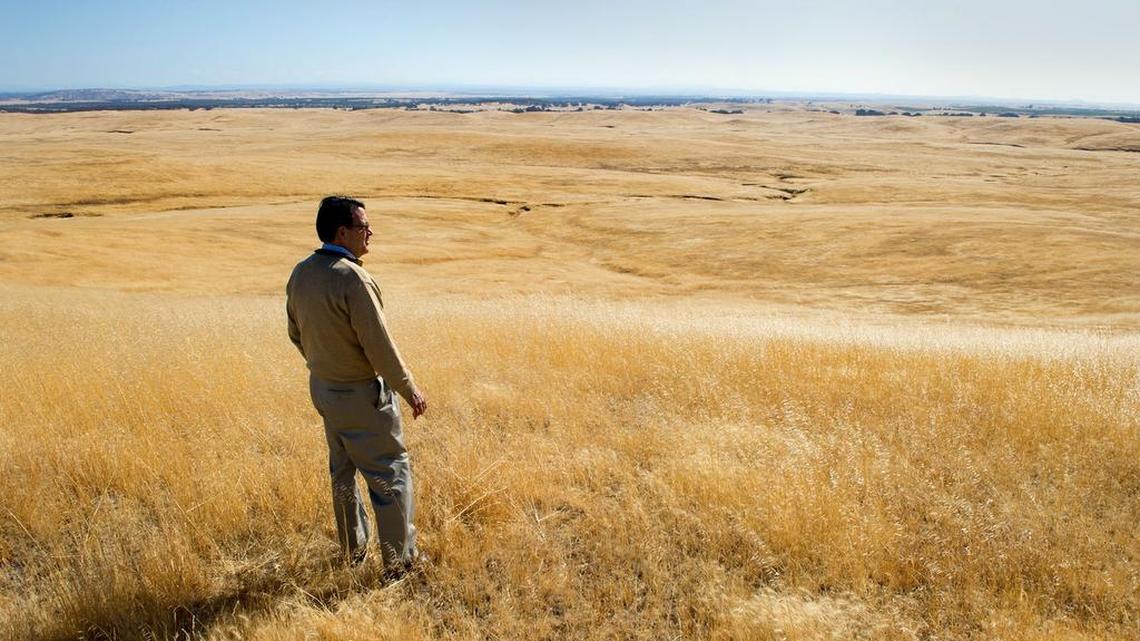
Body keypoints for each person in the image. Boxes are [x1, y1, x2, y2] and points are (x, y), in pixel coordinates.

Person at [286, 195, 428, 570]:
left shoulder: (301, 272)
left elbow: (295, 332)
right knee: (390, 473)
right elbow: (379, 346)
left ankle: (354, 551)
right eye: (364, 226)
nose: (370, 232)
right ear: (343, 231)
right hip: (362, 395)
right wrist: (408, 387)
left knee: (343, 472)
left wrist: (325, 364)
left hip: (323, 389)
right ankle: (399, 562)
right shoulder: (353, 279)